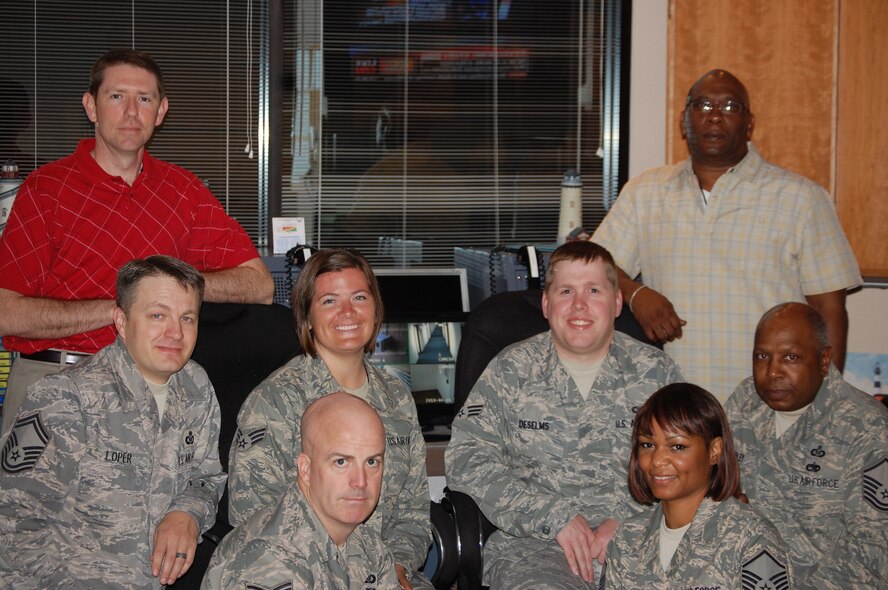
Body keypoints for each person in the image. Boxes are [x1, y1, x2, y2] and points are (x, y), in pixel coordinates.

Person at [0, 48, 274, 434]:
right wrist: (127, 304)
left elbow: (260, 285)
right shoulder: (45, 190)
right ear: (91, 107)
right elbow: (7, 313)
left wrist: (171, 287)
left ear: (161, 111)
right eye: (116, 97)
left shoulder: (183, 192)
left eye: (144, 99)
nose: (131, 112)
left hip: (152, 389)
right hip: (55, 379)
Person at [591, 68, 861, 402]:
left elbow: (829, 309)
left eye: (731, 107)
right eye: (702, 106)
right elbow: (595, 268)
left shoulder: (801, 198)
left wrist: (827, 401)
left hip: (768, 409)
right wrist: (636, 293)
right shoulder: (645, 192)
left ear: (749, 123)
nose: (715, 116)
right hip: (673, 410)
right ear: (683, 120)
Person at [445, 241, 684, 589]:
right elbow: (466, 460)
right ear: (546, 303)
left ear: (617, 303)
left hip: (645, 543)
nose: (579, 305)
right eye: (566, 291)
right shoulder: (510, 370)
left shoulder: (658, 374)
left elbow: (690, 467)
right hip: (535, 547)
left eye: (594, 290)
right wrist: (552, 516)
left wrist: (634, 523)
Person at [0, 255, 227, 589]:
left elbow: (206, 479)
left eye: (187, 318)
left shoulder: (196, 386)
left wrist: (187, 515)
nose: (175, 332)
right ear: (122, 322)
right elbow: (13, 521)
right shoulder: (67, 397)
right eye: (157, 315)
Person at [227, 248, 432, 590]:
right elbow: (253, 518)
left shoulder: (397, 398)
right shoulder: (275, 401)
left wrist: (396, 566)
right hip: (304, 575)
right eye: (329, 301)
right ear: (306, 318)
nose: (348, 312)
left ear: (375, 309)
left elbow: (413, 512)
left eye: (359, 297)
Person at [725, 302, 888, 589]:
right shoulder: (744, 401)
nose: (772, 371)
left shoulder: (868, 427)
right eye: (762, 356)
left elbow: (874, 550)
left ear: (824, 360)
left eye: (790, 357)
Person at [603, 383, 791, 589]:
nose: (657, 460)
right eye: (647, 444)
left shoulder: (751, 539)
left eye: (677, 446)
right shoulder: (628, 538)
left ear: (714, 450)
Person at [202, 392, 398, 589]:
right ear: (305, 469)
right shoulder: (271, 557)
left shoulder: (368, 545)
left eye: (372, 462)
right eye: (341, 462)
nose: (360, 482)